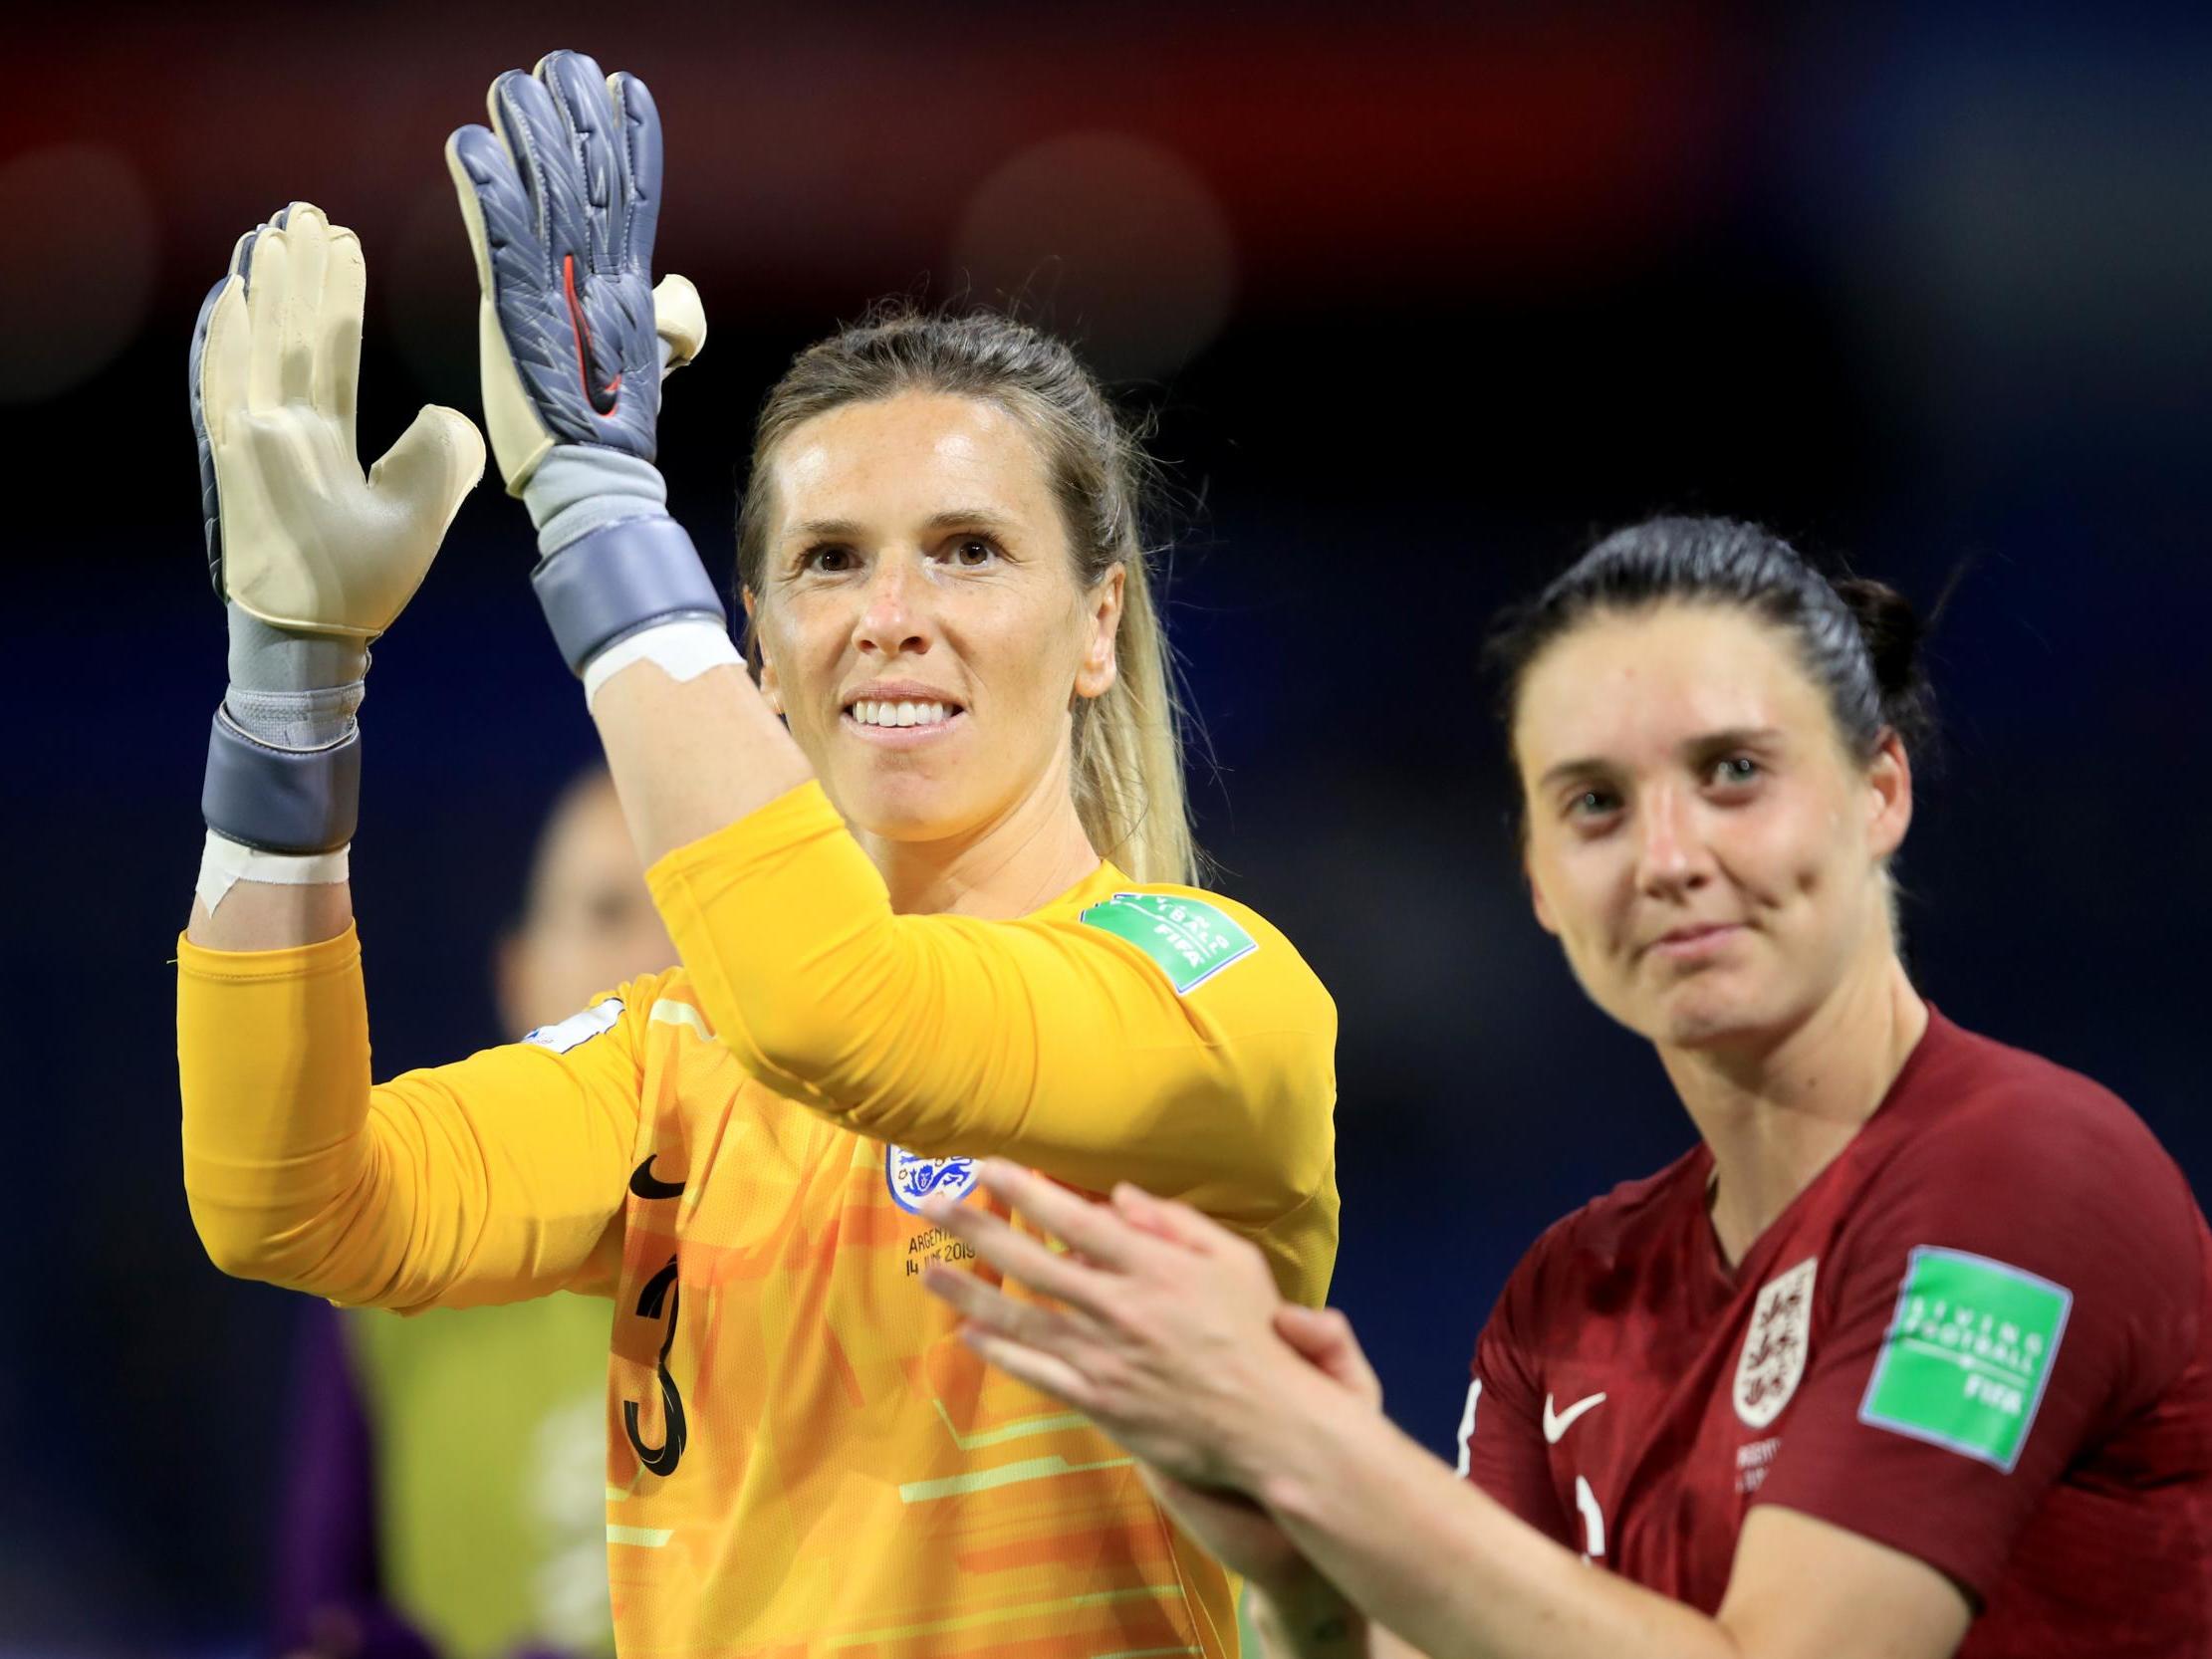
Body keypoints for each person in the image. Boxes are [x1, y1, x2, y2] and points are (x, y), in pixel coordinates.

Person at [174, 50, 1336, 1659]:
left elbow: (837, 1006)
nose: (890, 616)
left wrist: (593, 509)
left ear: (1097, 627)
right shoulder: (679, 1065)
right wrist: (289, 695)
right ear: (761, 653)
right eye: (829, 562)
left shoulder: (1214, 997)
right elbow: (290, 1204)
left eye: (969, 551)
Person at [920, 518, 2212, 1659]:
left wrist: (1324, 1453)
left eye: (1733, 773)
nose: (1666, 857)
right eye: (1593, 803)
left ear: (1879, 789)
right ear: (1538, 880)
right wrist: (1293, 1556)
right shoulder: (1572, 1291)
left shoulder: (2028, 1176)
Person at [272, 769, 664, 1659]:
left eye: (691, 908)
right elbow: (312, 1621)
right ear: (518, 977)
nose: (656, 958)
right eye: (606, 912)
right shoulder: (391, 1267)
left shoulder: (826, 1229)